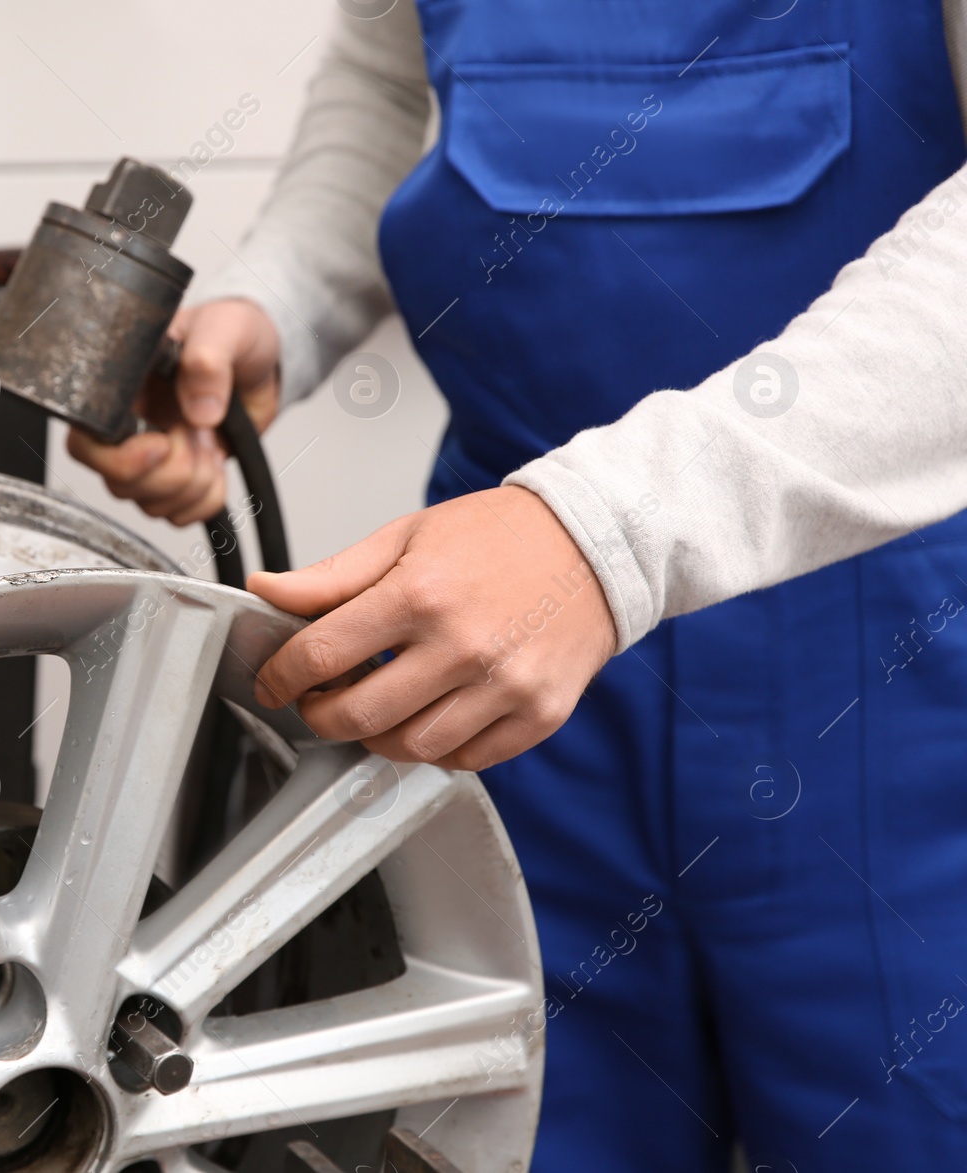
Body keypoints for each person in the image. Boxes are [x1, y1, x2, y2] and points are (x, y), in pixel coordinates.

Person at [71, 1, 967, 1168]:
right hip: (501, 652)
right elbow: (396, 88)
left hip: (883, 660)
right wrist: (276, 302)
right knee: (524, 1125)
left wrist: (612, 536)